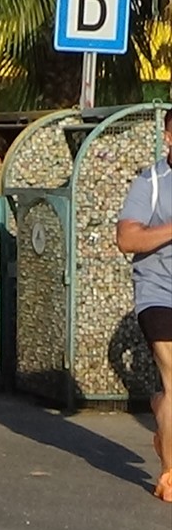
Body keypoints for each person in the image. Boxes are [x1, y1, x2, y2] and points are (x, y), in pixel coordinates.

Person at [116, 109, 172, 501]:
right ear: (168, 137)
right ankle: (170, 473)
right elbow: (127, 239)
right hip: (160, 292)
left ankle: (160, 407)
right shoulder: (150, 182)